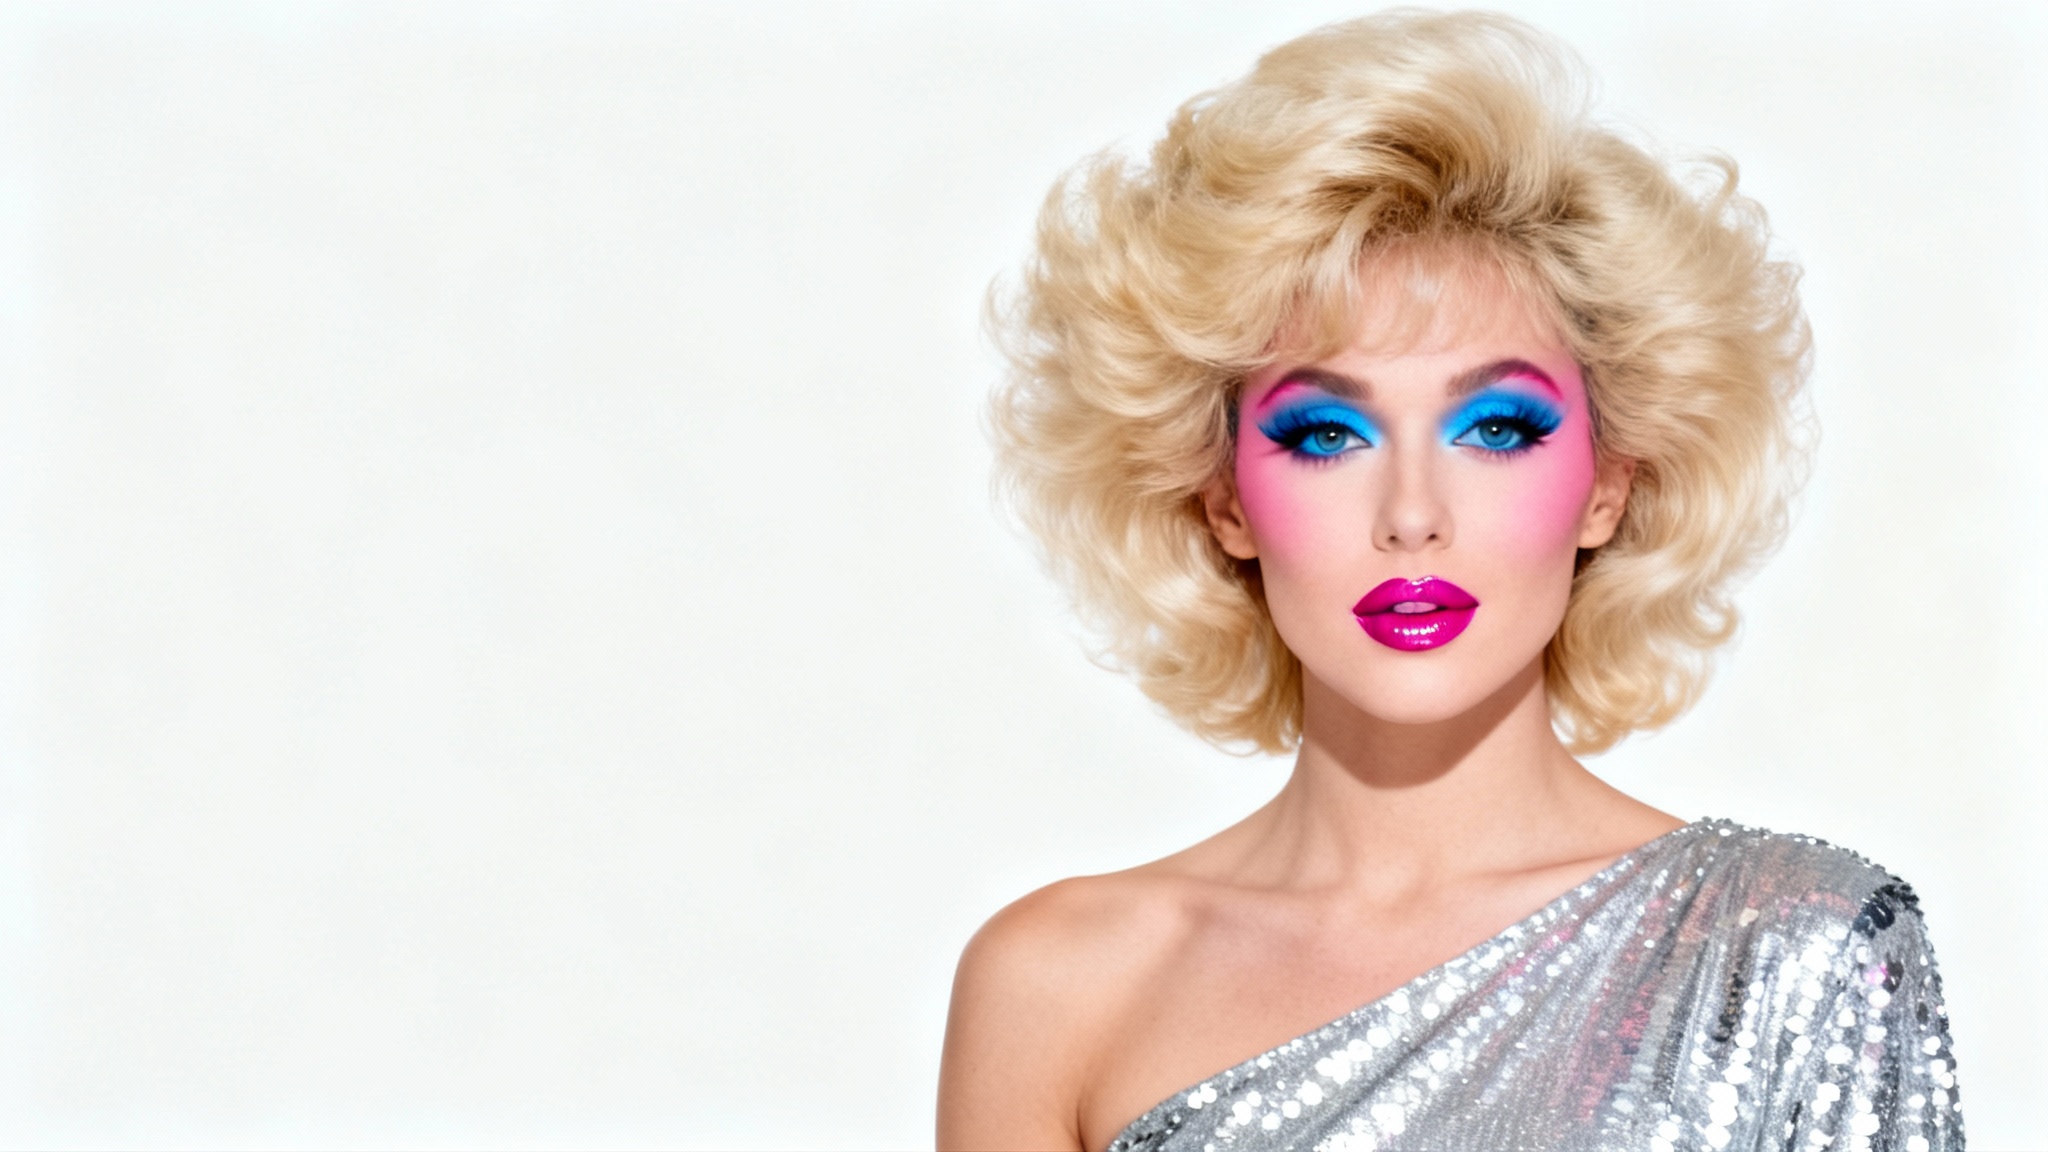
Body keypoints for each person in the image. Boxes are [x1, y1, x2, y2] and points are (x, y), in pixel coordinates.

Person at [936, 11, 1962, 1152]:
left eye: (1496, 427)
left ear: (1608, 484)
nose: (1412, 516)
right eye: (1326, 436)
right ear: (1221, 497)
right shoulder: (1058, 989)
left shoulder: (1788, 952)